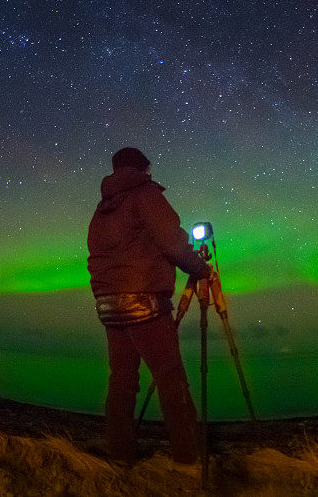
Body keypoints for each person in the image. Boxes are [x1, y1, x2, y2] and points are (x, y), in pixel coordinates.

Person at [87, 147, 210, 465]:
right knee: (171, 378)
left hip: (109, 306)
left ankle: (121, 454)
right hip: (145, 303)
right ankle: (188, 457)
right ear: (144, 169)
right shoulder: (145, 195)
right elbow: (172, 243)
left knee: (122, 381)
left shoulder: (102, 211)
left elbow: (98, 258)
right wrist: (200, 268)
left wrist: (104, 296)